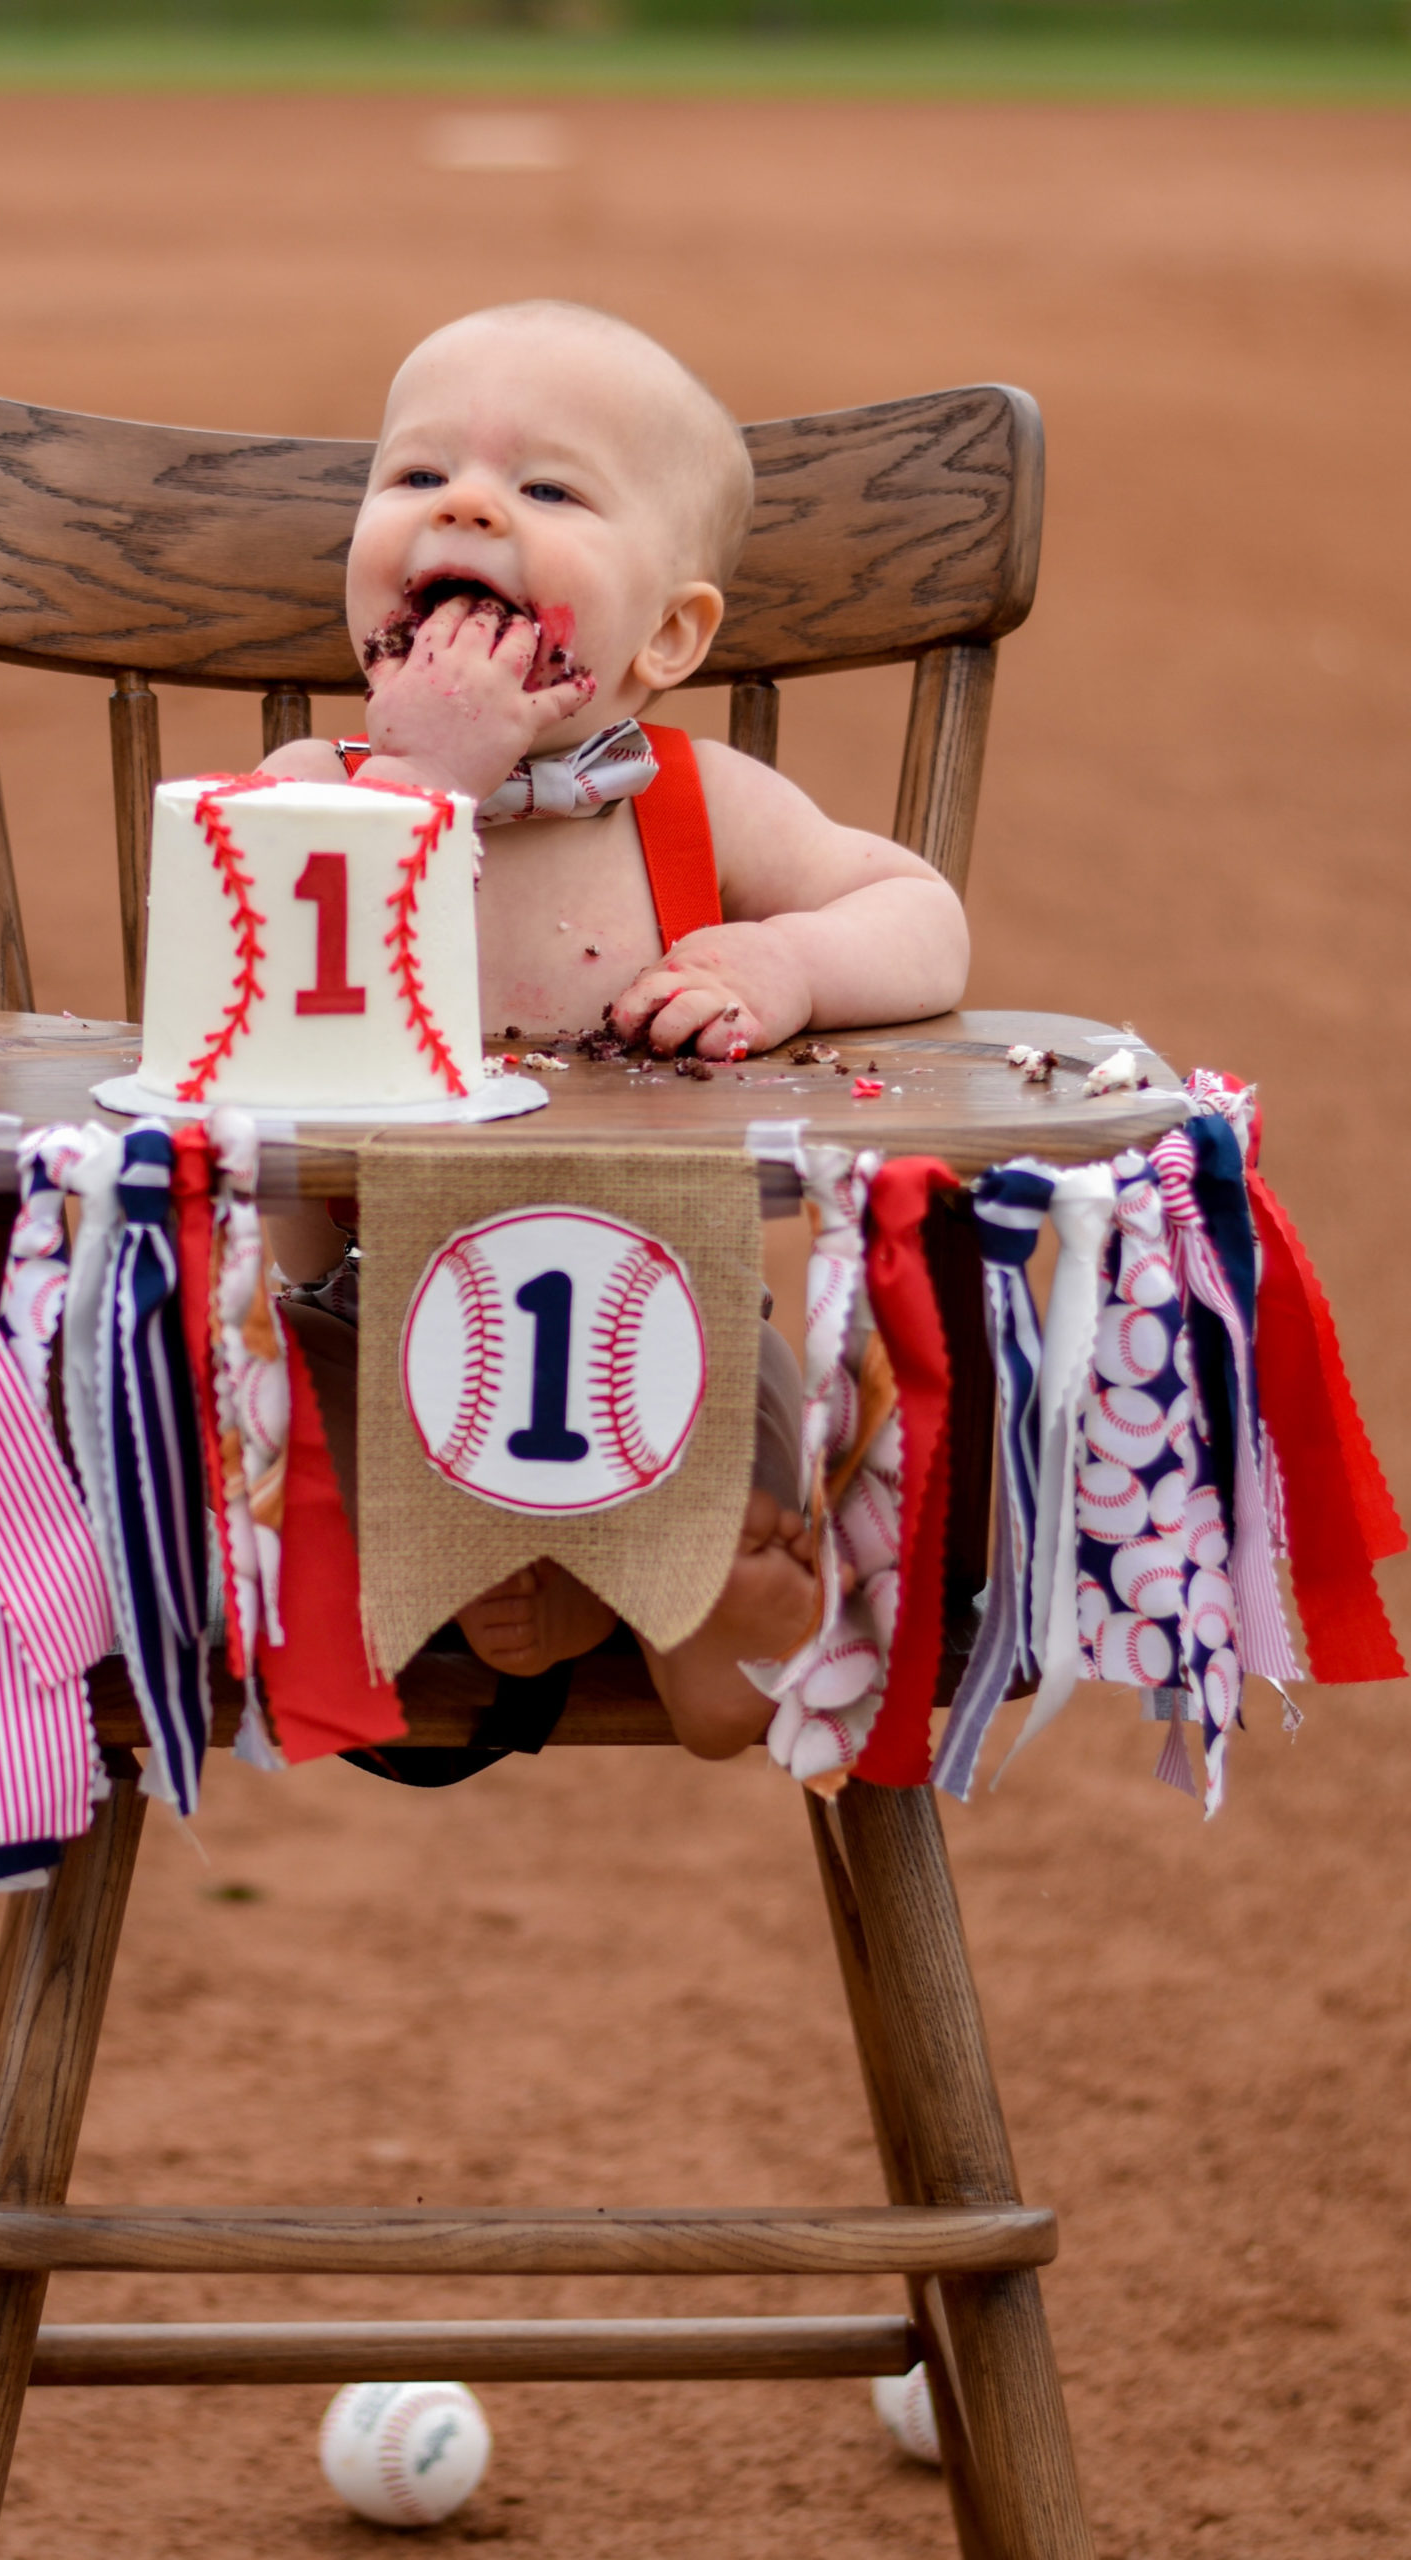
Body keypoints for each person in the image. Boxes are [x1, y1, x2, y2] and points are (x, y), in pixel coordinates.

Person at [254, 301, 968, 1759]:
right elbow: (250, 1014)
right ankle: (548, 1578)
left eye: (550, 490)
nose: (466, 503)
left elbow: (924, 913)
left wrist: (788, 963)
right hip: (368, 1327)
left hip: (657, 1327)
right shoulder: (310, 791)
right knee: (251, 1407)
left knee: (745, 1386)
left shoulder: (701, 805)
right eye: (416, 478)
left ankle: (698, 1608)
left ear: (670, 634)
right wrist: (422, 784)